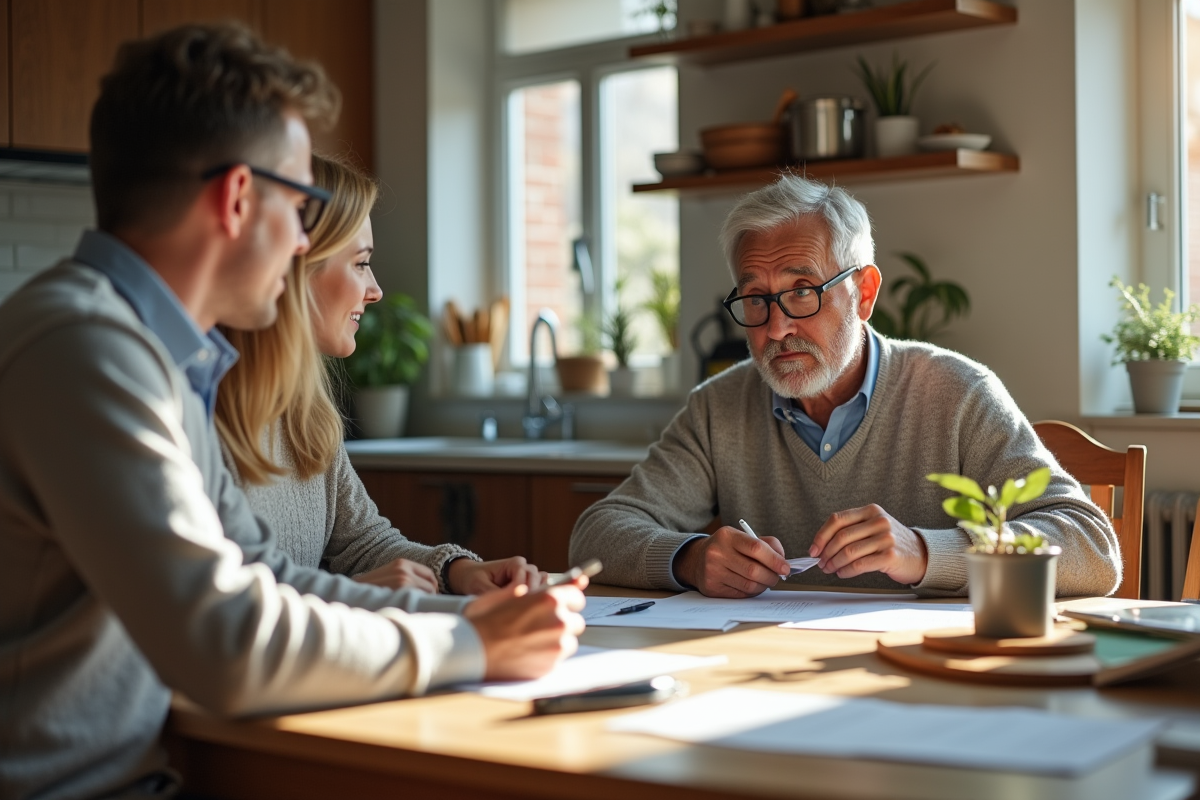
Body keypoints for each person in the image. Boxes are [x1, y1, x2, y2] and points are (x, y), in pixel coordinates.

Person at [0, 24, 583, 800]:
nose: (305, 238)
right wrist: (465, 642)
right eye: (302, 202)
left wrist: (458, 607)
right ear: (238, 199)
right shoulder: (86, 351)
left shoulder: (161, 358)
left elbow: (263, 579)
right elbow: (226, 644)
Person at [570, 175, 1120, 599]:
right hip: (765, 678)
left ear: (863, 292)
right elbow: (597, 533)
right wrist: (688, 558)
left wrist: (927, 551)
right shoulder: (720, 407)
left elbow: (1091, 546)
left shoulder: (957, 392)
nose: (776, 327)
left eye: (803, 291)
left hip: (926, 682)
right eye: (755, 298)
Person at [216, 154, 541, 595]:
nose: (376, 290)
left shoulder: (306, 415)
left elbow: (365, 543)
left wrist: (457, 571)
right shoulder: (200, 413)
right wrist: (355, 594)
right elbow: (222, 603)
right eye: (360, 263)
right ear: (296, 267)